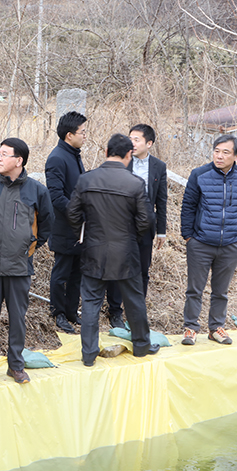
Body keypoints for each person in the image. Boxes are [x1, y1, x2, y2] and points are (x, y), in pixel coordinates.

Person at [67, 134, 157, 367]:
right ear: (129, 155)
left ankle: (88, 354)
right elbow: (146, 220)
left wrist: (84, 234)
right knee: (134, 301)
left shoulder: (86, 180)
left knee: (90, 303)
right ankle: (141, 346)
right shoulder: (135, 183)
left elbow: (72, 213)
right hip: (126, 252)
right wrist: (132, 237)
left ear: (106, 151)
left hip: (94, 250)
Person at [0, 138, 54, 385]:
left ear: (19, 160)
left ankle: (16, 365)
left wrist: (27, 247)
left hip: (19, 267)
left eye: (4, 154)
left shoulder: (38, 191)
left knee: (17, 318)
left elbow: (46, 226)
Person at [180, 134, 237, 346]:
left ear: (236, 156)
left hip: (231, 244)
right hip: (200, 243)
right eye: (217, 151)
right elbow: (188, 206)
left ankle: (216, 328)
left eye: (225, 152)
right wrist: (188, 236)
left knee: (221, 291)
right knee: (194, 289)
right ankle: (190, 328)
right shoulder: (199, 174)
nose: (219, 156)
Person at [105, 124, 168, 327]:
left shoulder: (158, 166)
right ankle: (115, 311)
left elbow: (161, 200)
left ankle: (136, 310)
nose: (132, 143)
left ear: (149, 143)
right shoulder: (122, 162)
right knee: (118, 267)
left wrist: (161, 231)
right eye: (130, 138)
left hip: (146, 226)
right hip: (121, 225)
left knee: (142, 269)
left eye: (137, 139)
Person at [45, 111, 87, 335]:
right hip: (64, 228)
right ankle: (58, 313)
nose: (85, 136)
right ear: (69, 135)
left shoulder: (74, 154)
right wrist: (78, 213)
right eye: (82, 132)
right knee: (61, 273)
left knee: (76, 273)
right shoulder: (57, 158)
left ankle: (71, 311)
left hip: (79, 229)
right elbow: (56, 197)